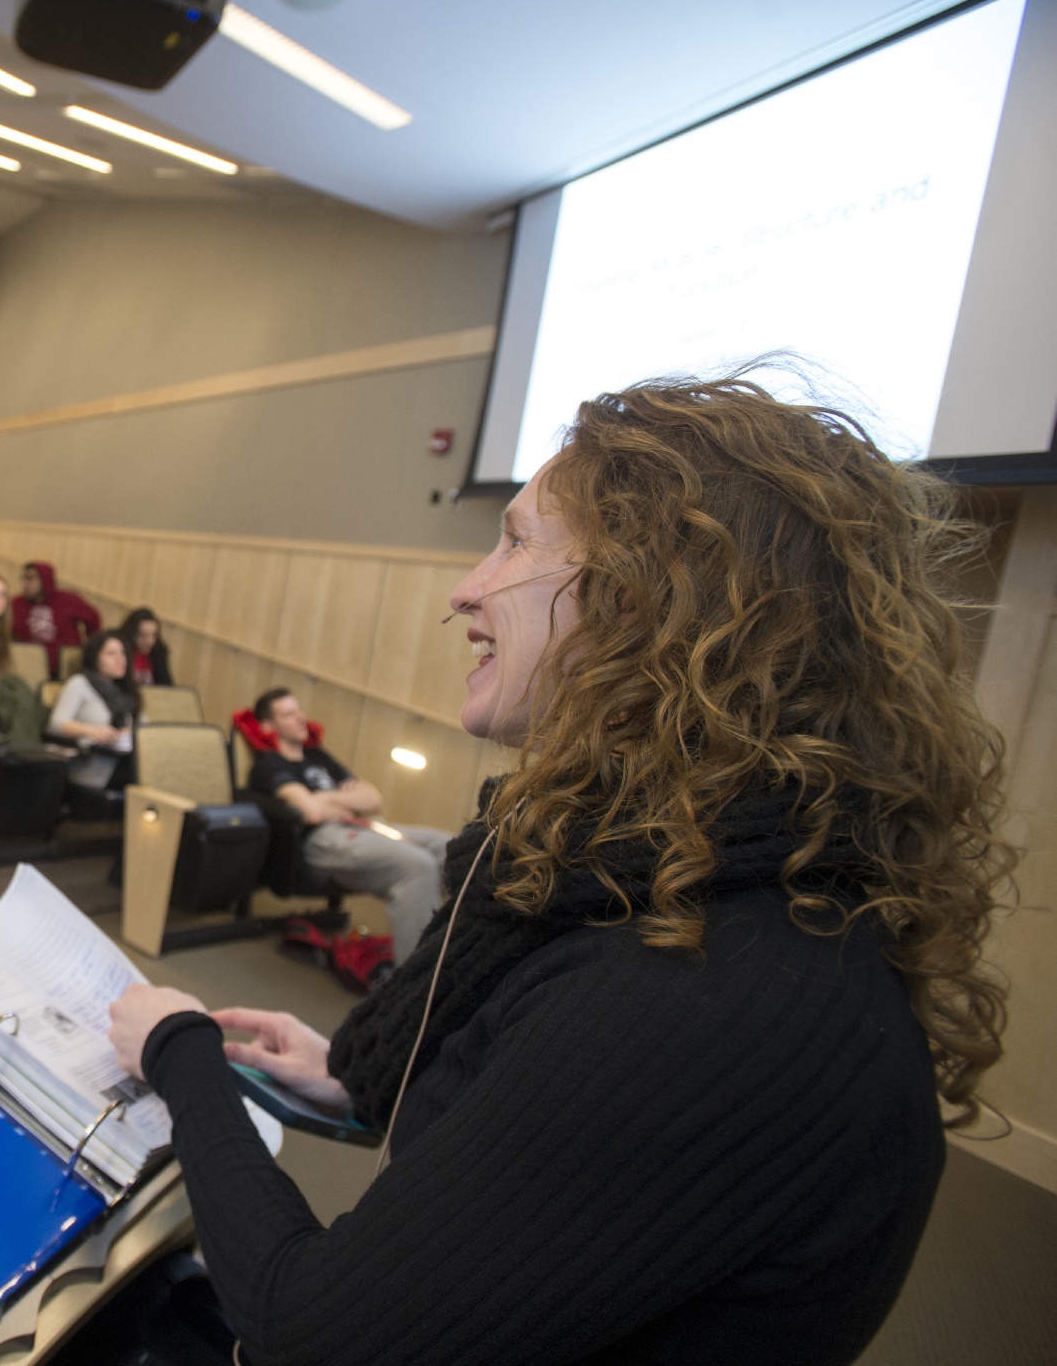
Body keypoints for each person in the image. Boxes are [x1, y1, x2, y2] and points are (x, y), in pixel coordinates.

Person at [104, 375, 1009, 1365]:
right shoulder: (672, 891)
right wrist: (350, 1079)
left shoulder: (700, 1001)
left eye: (518, 540)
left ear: (650, 599)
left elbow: (306, 1331)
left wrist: (182, 1052)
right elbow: (562, 1168)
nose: (467, 586)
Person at [239, 687, 449, 959]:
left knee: (449, 847)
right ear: (268, 725)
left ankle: (450, 950)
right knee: (417, 865)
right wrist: (346, 800)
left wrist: (325, 800)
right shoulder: (270, 765)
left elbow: (373, 800)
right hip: (323, 839)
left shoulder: (318, 756)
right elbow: (311, 813)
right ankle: (416, 979)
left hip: (364, 825)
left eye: (299, 710)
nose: (301, 718)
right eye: (289, 714)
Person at [47, 629, 137, 791]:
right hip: (91, 765)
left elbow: (145, 730)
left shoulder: (124, 692)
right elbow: (55, 724)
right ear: (95, 657)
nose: (120, 659)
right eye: (111, 653)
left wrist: (127, 733)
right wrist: (93, 731)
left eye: (123, 653)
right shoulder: (79, 683)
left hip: (121, 761)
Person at [12, 561, 100, 675]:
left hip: (65, 666)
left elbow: (93, 618)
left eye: (30, 578)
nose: (25, 583)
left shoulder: (68, 600)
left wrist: (89, 647)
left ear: (45, 579)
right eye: (23, 578)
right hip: (30, 665)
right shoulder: (17, 604)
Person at [118, 608, 174, 687]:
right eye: (143, 635)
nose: (150, 641)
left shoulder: (158, 653)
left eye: (154, 635)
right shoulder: (120, 651)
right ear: (131, 633)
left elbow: (167, 687)